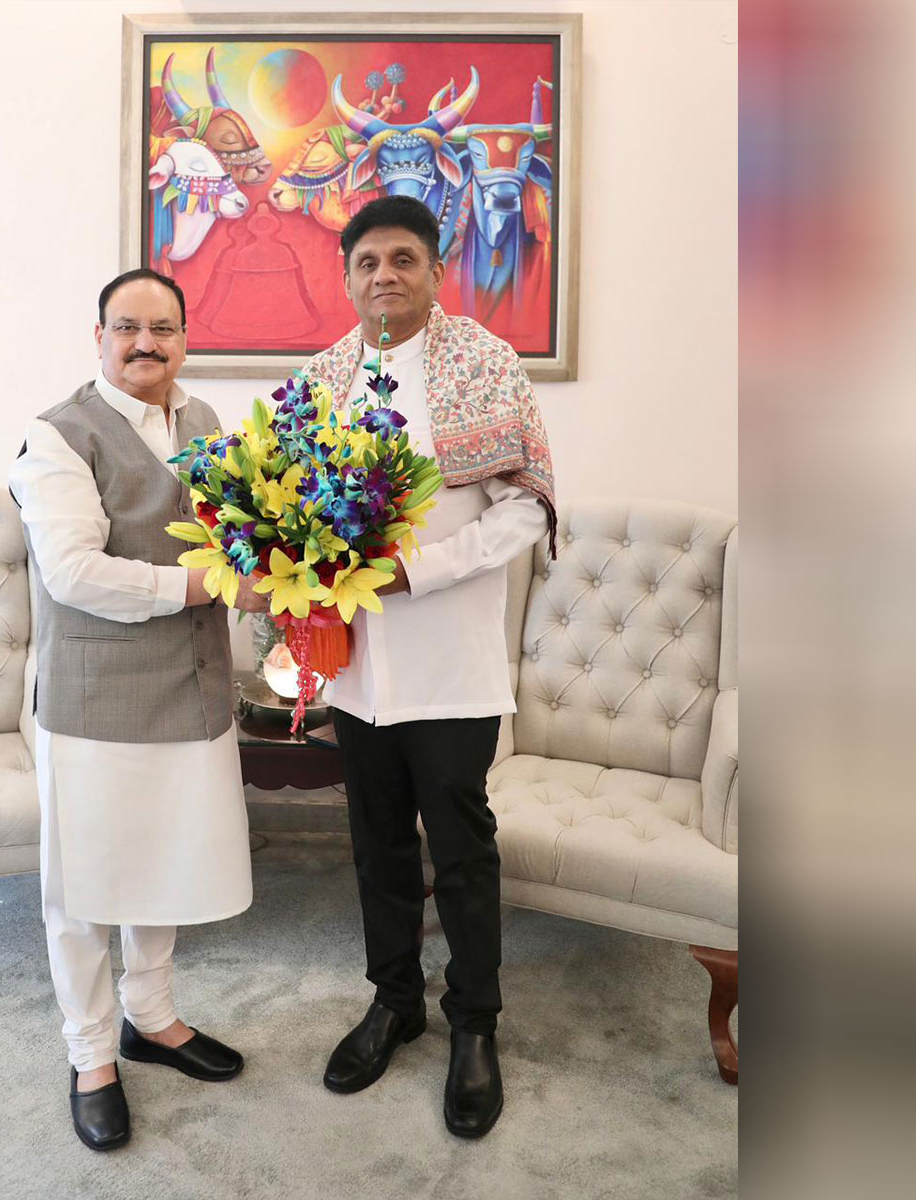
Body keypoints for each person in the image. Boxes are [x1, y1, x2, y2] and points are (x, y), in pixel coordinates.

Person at [300, 195, 557, 1138]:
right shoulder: (322, 378)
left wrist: (418, 570)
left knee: (461, 849)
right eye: (367, 262)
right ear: (348, 276)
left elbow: (525, 510)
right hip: (358, 666)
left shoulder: (483, 364)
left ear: (436, 270)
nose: (384, 276)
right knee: (374, 843)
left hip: (449, 661)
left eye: (403, 259)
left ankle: (474, 1025)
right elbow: (296, 516)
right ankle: (394, 1001)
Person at [9, 267, 270, 1151]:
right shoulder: (58, 437)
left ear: (186, 339)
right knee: (83, 886)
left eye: (163, 329)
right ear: (98, 337)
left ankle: (150, 1017)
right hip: (94, 698)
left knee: (159, 862)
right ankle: (89, 1055)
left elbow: (238, 536)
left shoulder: (203, 425)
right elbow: (73, 572)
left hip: (190, 689)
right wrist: (204, 583)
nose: (146, 344)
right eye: (127, 328)